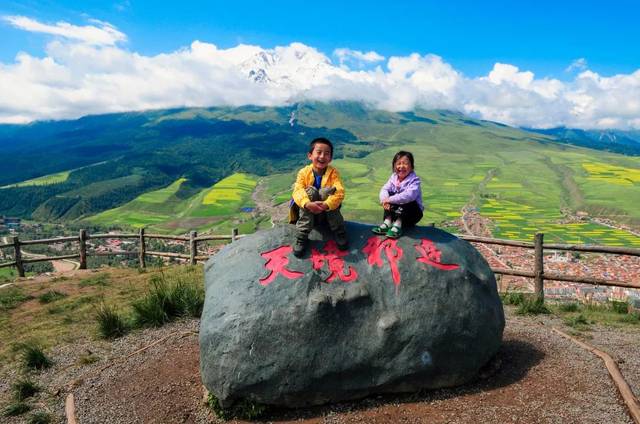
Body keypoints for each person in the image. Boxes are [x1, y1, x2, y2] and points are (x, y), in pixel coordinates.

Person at [289, 137, 348, 258]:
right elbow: (297, 190)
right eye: (319, 152)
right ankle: (302, 234)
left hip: (326, 213)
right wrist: (307, 203)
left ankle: (338, 231)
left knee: (328, 192)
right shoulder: (303, 172)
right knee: (310, 191)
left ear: (330, 158)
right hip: (308, 212)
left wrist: (327, 204)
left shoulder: (333, 173)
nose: (322, 156)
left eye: (327, 154)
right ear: (310, 155)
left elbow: (340, 192)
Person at [372, 151, 423, 238]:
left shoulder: (414, 181)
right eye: (398, 163)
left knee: (406, 199)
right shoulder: (393, 178)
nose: (401, 166)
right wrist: (385, 200)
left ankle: (397, 225)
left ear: (411, 167)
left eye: (405, 163)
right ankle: (387, 222)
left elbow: (409, 195)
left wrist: (390, 199)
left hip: (412, 214)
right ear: (394, 166)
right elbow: (384, 189)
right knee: (389, 195)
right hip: (396, 212)